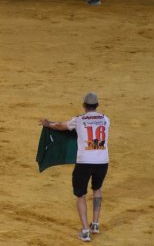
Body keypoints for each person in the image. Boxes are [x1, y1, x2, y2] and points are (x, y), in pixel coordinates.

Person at [38, 92, 111, 243]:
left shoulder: (79, 120)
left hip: (84, 162)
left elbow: (60, 126)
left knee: (81, 195)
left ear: (84, 106)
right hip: (102, 161)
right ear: (97, 106)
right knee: (97, 189)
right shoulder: (105, 119)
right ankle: (95, 224)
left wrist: (47, 123)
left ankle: (85, 231)